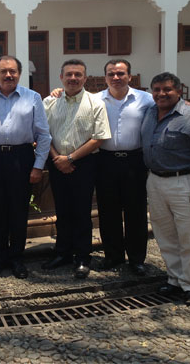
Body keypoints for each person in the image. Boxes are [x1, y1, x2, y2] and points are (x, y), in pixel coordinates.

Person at [141, 72, 190, 305]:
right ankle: (174, 278)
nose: (161, 94)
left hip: (184, 181)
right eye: (156, 90)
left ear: (178, 91)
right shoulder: (149, 113)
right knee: (165, 235)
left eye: (167, 89)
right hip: (155, 180)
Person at [0, 56, 51, 279]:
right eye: (3, 71)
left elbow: (43, 135)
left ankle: (17, 258)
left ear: (19, 73)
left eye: (13, 71)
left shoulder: (32, 97)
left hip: (21, 157)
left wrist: (38, 166)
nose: (8, 75)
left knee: (19, 210)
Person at [42, 59, 111, 279]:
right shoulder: (49, 102)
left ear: (85, 78)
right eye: (69, 74)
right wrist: (57, 158)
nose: (73, 78)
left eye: (78, 74)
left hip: (84, 164)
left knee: (82, 212)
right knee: (61, 210)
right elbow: (43, 134)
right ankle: (62, 252)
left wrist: (70, 158)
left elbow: (99, 137)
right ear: (61, 77)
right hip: (56, 162)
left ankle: (82, 257)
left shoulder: (96, 103)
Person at [95, 59, 154, 275]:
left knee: (135, 211)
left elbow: (169, 106)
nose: (116, 77)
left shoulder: (146, 99)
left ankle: (136, 258)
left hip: (134, 161)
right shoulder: (95, 100)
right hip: (105, 161)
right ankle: (113, 256)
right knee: (107, 210)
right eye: (111, 74)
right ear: (105, 77)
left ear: (129, 76)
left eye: (120, 73)